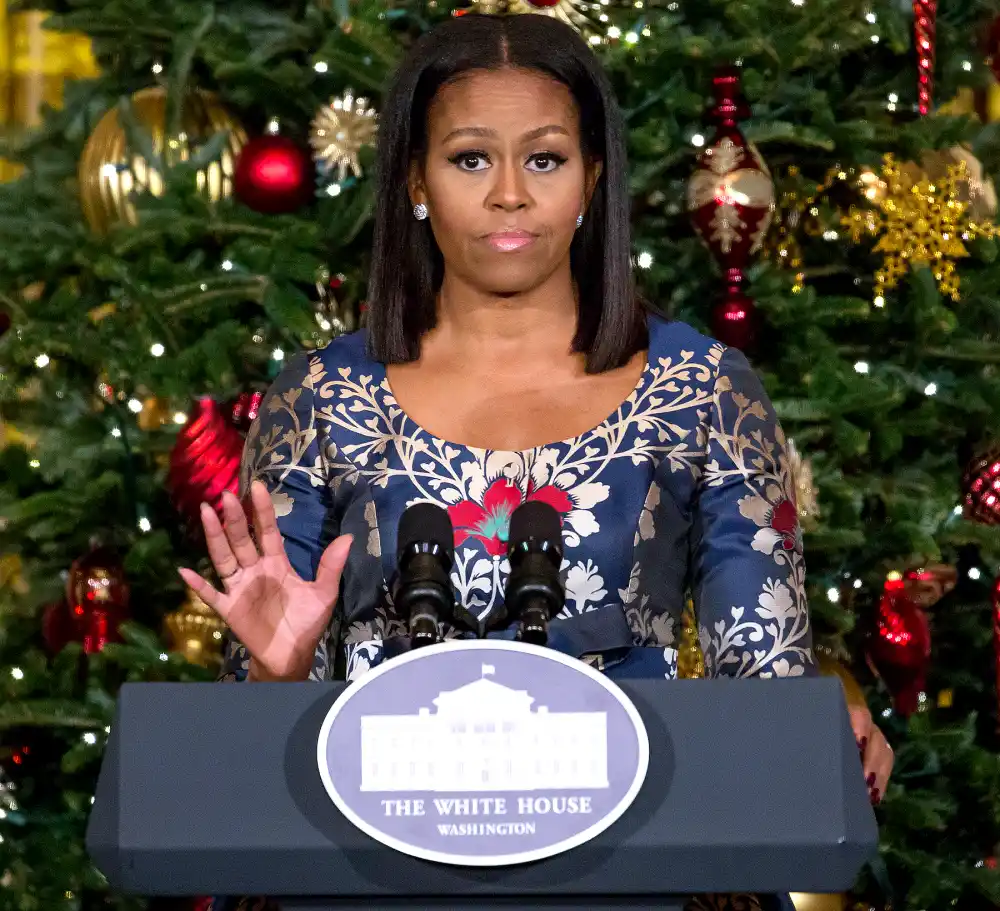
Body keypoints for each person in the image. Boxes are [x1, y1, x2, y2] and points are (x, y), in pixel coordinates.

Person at [179, 13, 893, 911]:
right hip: (365, 871)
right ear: (415, 181)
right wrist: (279, 677)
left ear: (592, 180)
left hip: (642, 865)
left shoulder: (702, 387)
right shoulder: (318, 396)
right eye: (471, 159)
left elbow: (764, 674)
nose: (509, 194)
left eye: (545, 159)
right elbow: (250, 764)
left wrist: (810, 728)